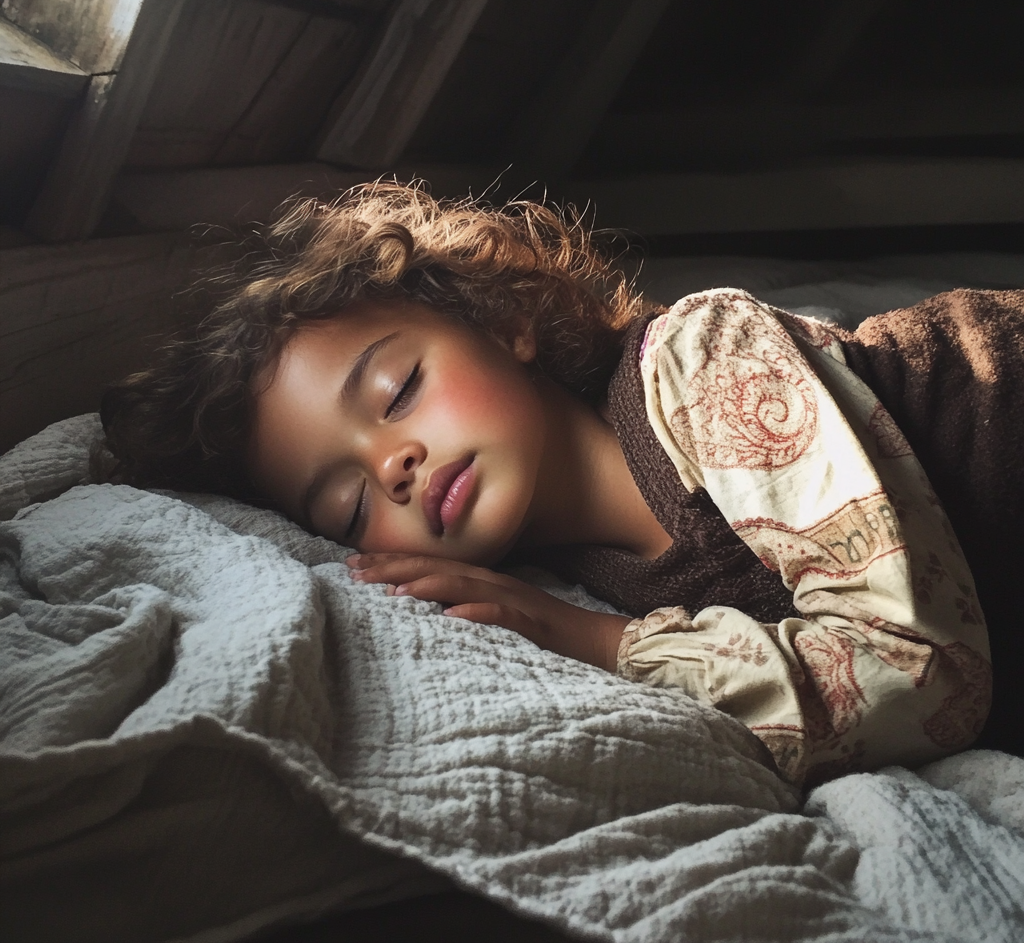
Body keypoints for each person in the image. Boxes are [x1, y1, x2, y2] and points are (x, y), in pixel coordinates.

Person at [101, 181, 1021, 786]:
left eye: (399, 390)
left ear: (503, 322)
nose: (393, 466)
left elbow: (922, 673)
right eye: (347, 504)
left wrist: (605, 643)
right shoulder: (567, 581)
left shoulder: (700, 363)